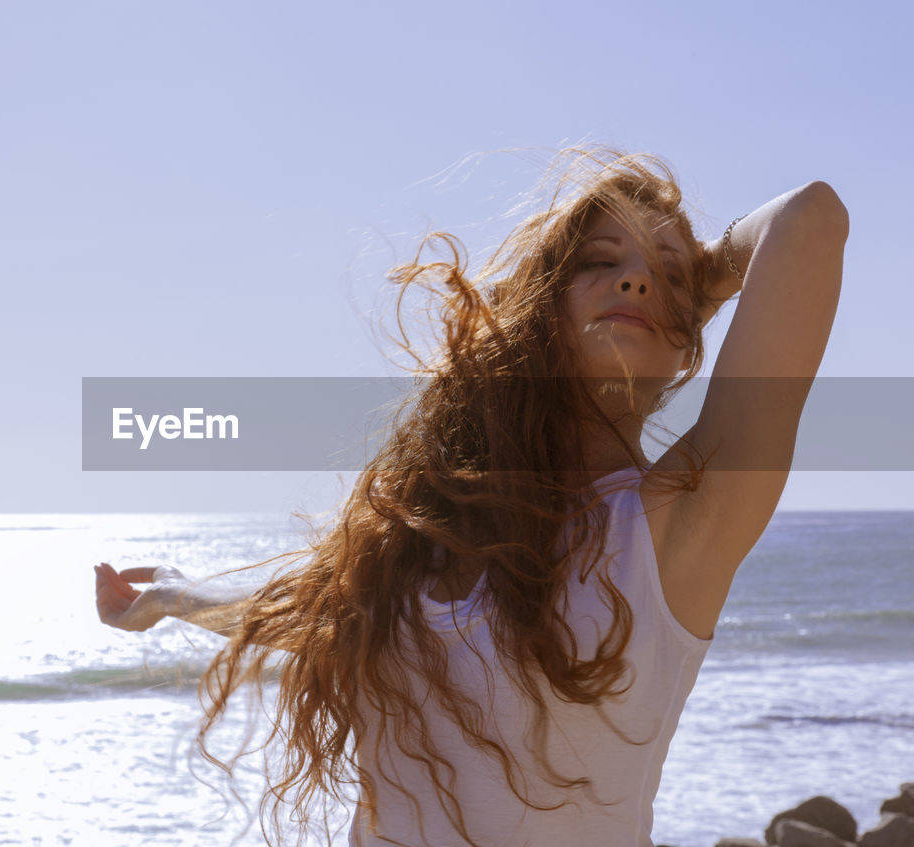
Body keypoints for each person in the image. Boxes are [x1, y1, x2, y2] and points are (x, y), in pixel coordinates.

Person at [94, 146, 849, 846]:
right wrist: (173, 594)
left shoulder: (678, 524)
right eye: (602, 261)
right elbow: (302, 612)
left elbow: (809, 220)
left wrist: (698, 284)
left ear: (688, 343)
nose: (636, 278)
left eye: (664, 274)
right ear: (543, 309)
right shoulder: (426, 534)